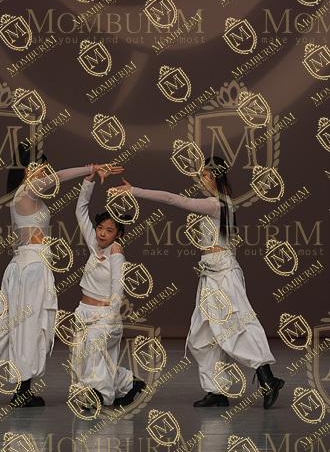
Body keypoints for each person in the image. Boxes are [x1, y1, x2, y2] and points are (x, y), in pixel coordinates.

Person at [0, 143, 122, 408]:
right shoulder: (28, 190)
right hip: (32, 268)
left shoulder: (20, 195)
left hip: (21, 267)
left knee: (6, 325)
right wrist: (91, 169)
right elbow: (59, 177)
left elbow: (21, 235)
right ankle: (20, 390)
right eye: (42, 168)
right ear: (28, 168)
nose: (46, 173)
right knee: (29, 326)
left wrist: (89, 176)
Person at [111, 156, 284, 409]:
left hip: (223, 273)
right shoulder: (221, 203)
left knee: (236, 325)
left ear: (215, 176)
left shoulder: (217, 204)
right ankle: (217, 390)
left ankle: (267, 378)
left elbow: (172, 199)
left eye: (204, 174)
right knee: (201, 337)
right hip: (211, 273)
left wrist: (135, 190)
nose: (200, 178)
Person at [69, 166, 145, 409]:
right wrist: (88, 182)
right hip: (84, 312)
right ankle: (128, 383)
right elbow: (80, 212)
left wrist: (111, 317)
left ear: (118, 234)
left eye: (109, 230)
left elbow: (117, 286)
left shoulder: (116, 252)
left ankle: (100, 396)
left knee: (94, 352)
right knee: (82, 360)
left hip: (105, 316)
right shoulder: (95, 245)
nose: (102, 233)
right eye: (100, 227)